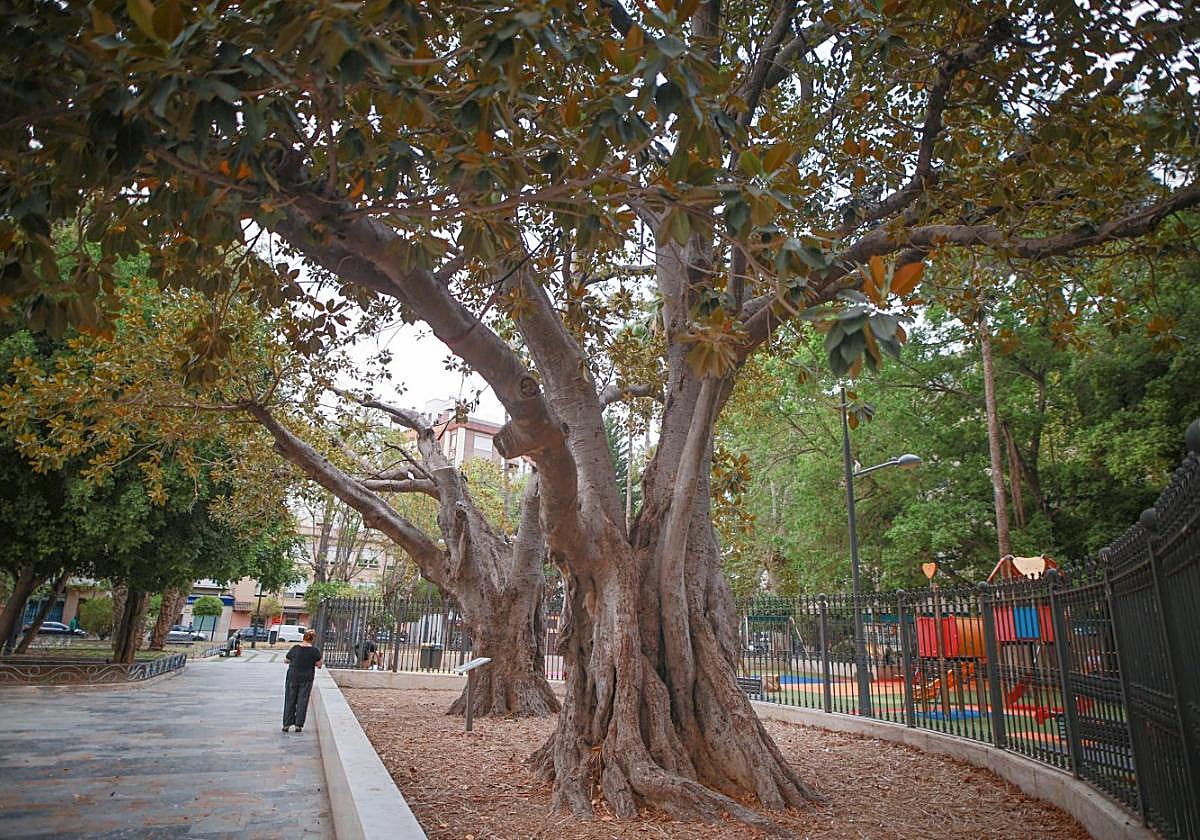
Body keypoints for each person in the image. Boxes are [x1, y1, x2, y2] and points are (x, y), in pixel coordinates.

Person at [282, 629, 323, 733]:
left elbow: (286, 660)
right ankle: (298, 725)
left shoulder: (295, 648)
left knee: (290, 699)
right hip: (306, 678)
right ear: (313, 639)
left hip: (292, 676)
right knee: (302, 700)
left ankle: (286, 724)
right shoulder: (315, 651)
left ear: (303, 637)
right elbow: (319, 665)